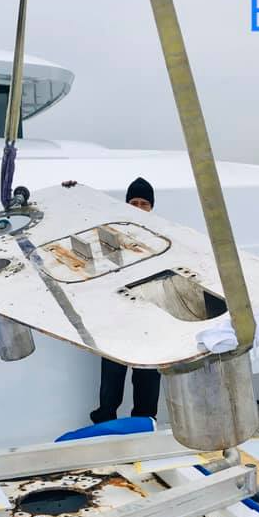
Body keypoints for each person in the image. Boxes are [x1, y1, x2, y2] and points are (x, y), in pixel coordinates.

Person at [88, 177, 162, 423]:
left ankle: (143, 422)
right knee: (111, 377)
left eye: (144, 203)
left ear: (151, 207)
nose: (138, 207)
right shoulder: (112, 234)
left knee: (147, 379)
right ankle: (105, 423)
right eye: (134, 202)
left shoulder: (163, 236)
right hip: (117, 318)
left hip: (150, 318)